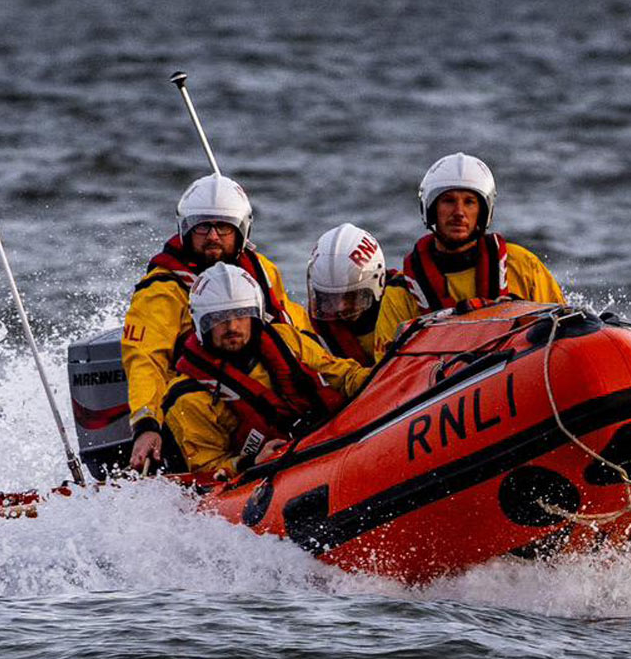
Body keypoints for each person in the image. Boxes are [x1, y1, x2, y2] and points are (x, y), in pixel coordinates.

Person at [124, 174, 310, 471]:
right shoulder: (162, 291)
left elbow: (295, 330)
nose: (212, 236)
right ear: (186, 229)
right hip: (206, 413)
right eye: (202, 226)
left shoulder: (263, 271)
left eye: (223, 226)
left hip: (273, 396)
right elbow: (145, 359)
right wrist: (147, 424)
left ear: (241, 229)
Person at [162, 263, 371, 479]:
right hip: (266, 479)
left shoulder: (285, 340)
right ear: (201, 323)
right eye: (219, 318)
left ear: (256, 314)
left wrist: (387, 374)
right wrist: (253, 461)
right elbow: (208, 472)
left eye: (241, 313)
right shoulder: (190, 397)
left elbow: (344, 376)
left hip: (323, 441)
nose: (232, 327)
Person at [402, 153, 564, 311]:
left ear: (483, 212)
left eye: (469, 202)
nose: (459, 212)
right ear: (431, 210)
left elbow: (566, 323)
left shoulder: (522, 266)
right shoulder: (403, 291)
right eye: (449, 201)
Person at [305, 223, 420, 364]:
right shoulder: (317, 328)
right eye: (330, 298)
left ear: (377, 284)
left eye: (350, 296)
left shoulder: (410, 300)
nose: (340, 307)